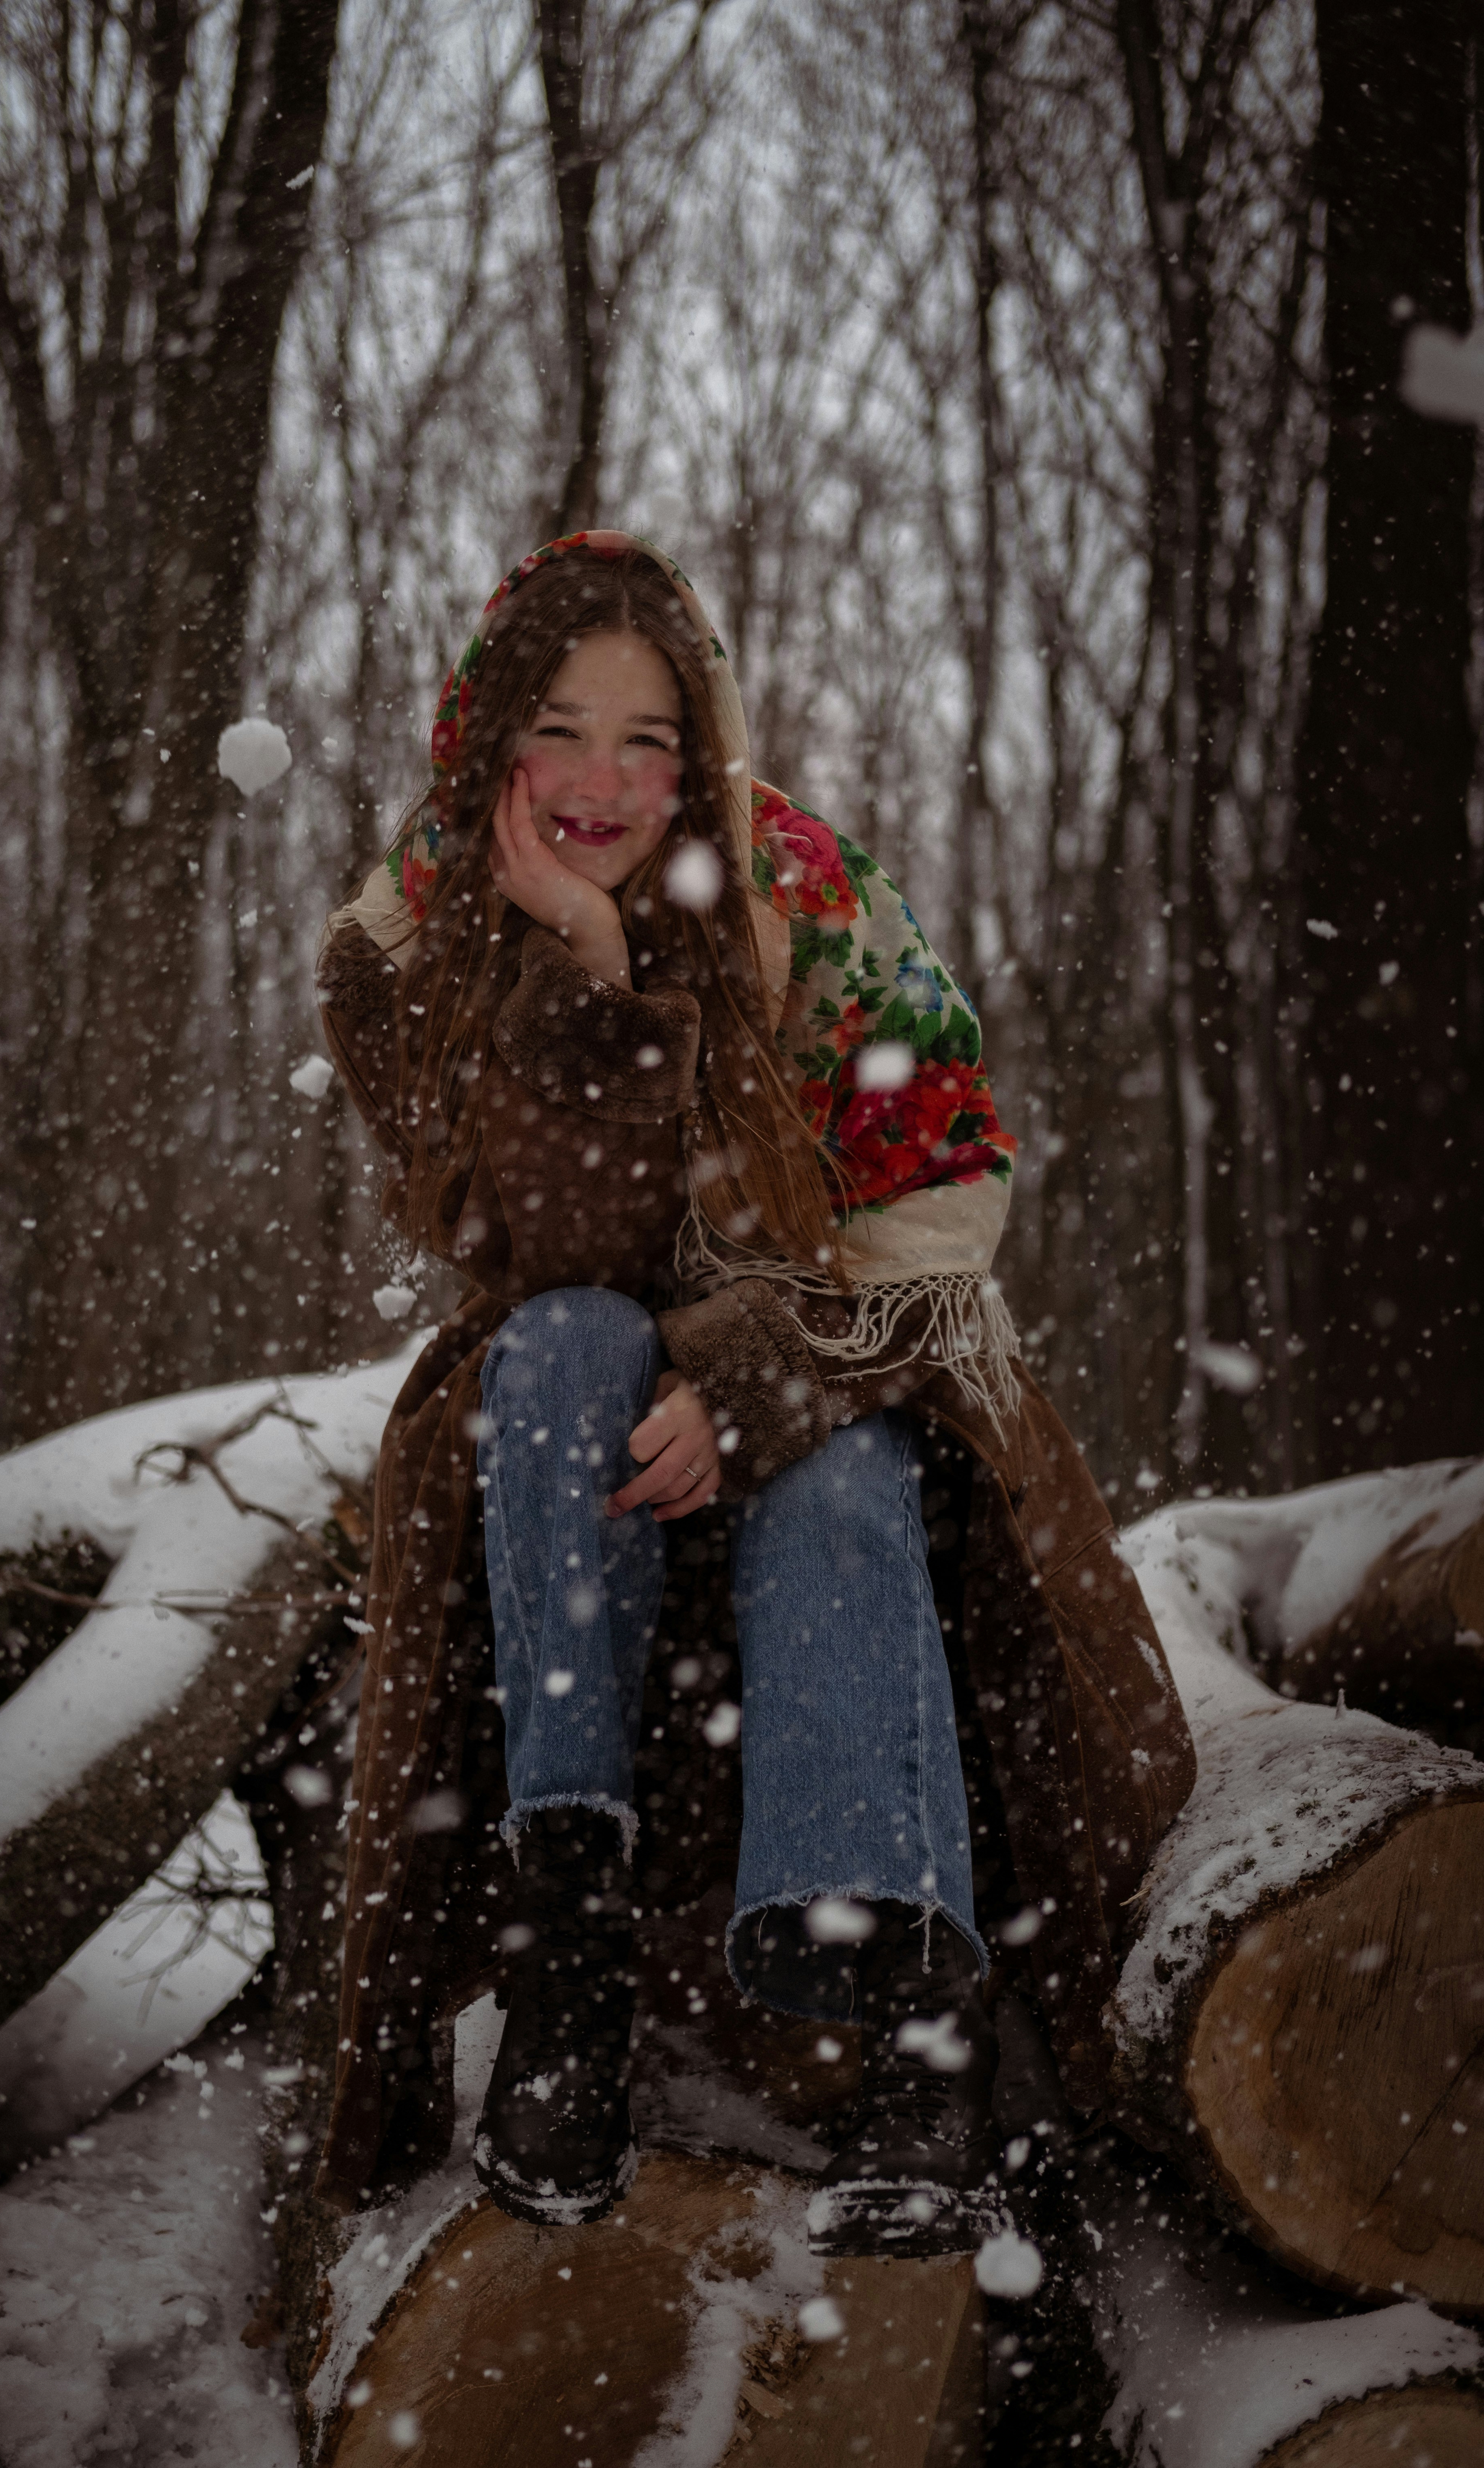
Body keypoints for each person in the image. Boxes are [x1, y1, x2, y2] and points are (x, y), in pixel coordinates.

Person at [311, 531, 1194, 2256]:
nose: (598, 783)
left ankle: (914, 2029)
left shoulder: (798, 895)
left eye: (649, 739)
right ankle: (567, 1956)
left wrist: (750, 1383)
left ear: (699, 745)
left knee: (836, 1480)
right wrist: (582, 967)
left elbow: (935, 1209)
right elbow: (544, 1244)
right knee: (557, 1343)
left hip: (847, 1327)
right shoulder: (409, 942)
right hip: (580, 1356)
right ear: (485, 733)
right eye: (557, 729)